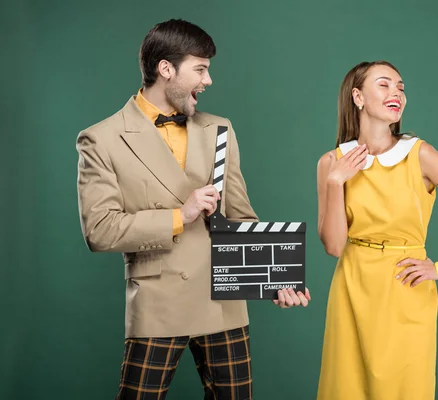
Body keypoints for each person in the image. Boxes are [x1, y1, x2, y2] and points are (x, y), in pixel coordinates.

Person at [76, 19, 310, 400]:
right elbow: (99, 230)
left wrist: (274, 279)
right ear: (165, 69)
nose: (208, 80)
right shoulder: (101, 139)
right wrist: (179, 216)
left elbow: (241, 219)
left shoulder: (220, 130)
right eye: (200, 69)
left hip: (223, 301)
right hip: (157, 303)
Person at [315, 60, 438, 399]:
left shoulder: (420, 154)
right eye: (384, 84)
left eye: (400, 86)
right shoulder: (331, 163)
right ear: (358, 97)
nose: (396, 92)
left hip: (405, 287)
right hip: (352, 287)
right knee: (346, 388)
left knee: (405, 388)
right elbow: (335, 247)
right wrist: (336, 182)